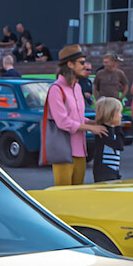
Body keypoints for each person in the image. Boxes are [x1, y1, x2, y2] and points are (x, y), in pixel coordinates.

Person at [41, 44, 107, 186]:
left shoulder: (77, 87)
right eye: (82, 63)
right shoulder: (56, 89)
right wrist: (90, 128)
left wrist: (94, 123)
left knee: (77, 194)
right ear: (70, 64)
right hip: (64, 151)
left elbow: (77, 117)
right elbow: (63, 122)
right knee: (64, 196)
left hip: (80, 151)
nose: (86, 66)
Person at [90, 97, 125, 183]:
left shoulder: (110, 130)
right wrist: (118, 127)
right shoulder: (104, 131)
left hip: (112, 171)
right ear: (110, 115)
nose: (121, 115)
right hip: (105, 173)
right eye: (119, 112)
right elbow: (119, 145)